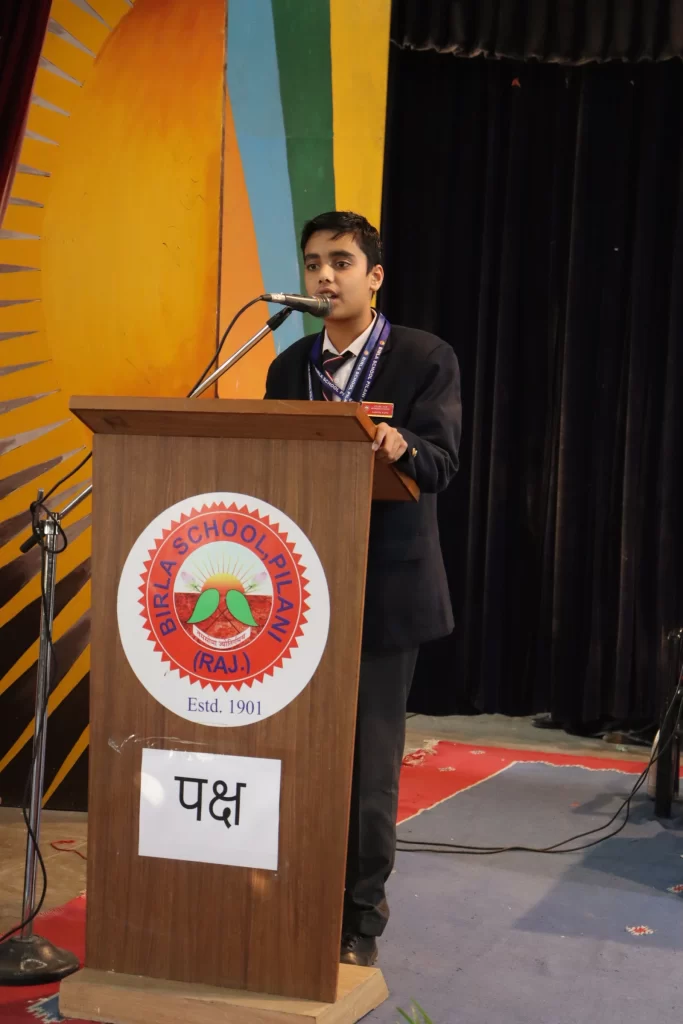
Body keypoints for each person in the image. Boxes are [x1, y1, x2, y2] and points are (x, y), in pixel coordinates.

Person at [264, 211, 461, 967]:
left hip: (384, 589)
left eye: (341, 262)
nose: (324, 276)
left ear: (374, 277)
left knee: (368, 768)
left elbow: (441, 464)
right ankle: (295, 896)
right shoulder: (289, 367)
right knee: (297, 755)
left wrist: (403, 444)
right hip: (297, 590)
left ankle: (359, 917)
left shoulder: (421, 357)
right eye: (313, 262)